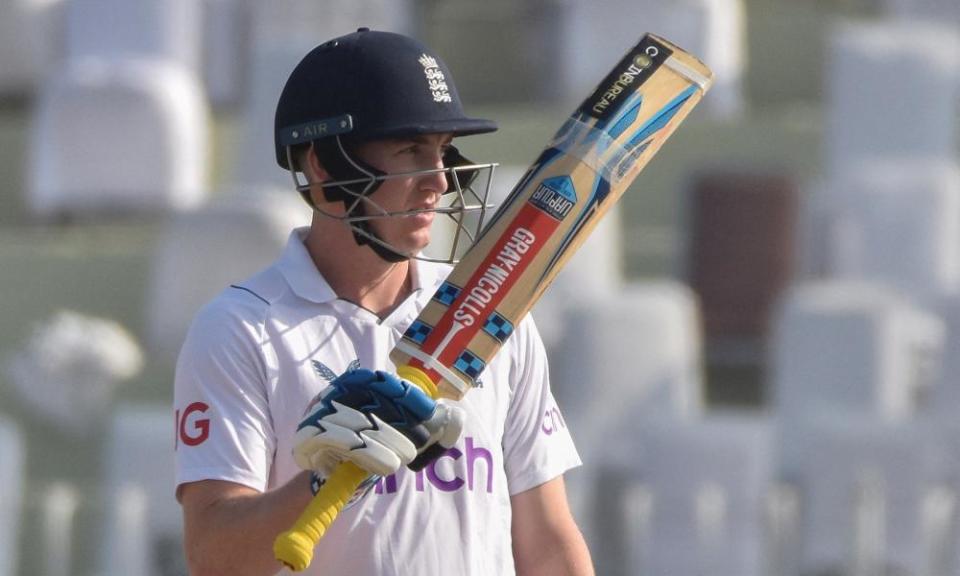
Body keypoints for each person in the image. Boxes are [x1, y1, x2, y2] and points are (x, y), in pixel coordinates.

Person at [174, 27, 594, 576]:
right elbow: (212, 556)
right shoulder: (240, 329)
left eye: (443, 152)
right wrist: (323, 479)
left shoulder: (489, 316)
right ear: (324, 166)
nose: (440, 181)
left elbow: (548, 540)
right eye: (410, 150)